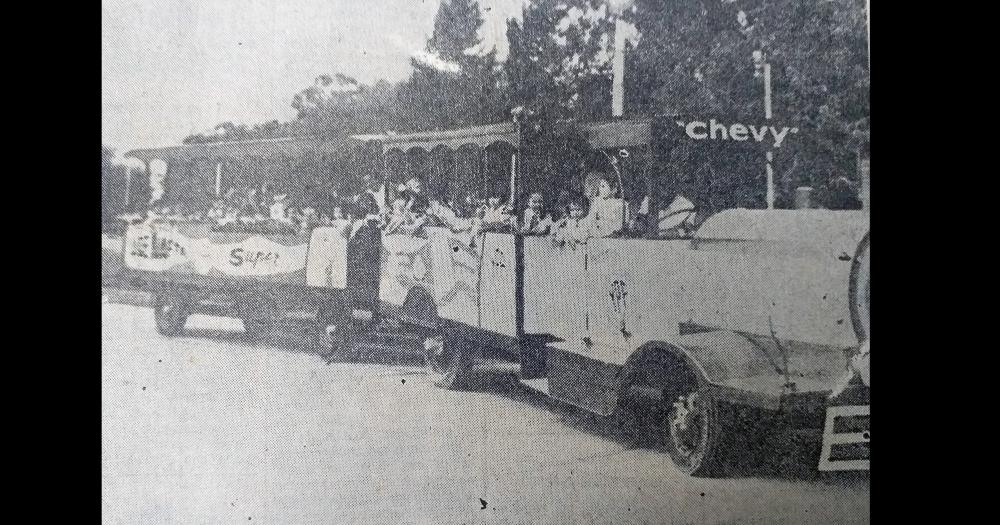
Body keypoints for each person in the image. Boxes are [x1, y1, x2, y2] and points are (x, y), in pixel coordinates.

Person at [586, 173, 625, 238]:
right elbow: (591, 218)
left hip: (612, 231)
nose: (600, 189)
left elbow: (620, 222)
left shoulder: (618, 203)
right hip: (598, 230)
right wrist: (594, 227)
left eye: (603, 186)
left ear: (613, 189)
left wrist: (612, 230)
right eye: (600, 187)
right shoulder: (597, 201)